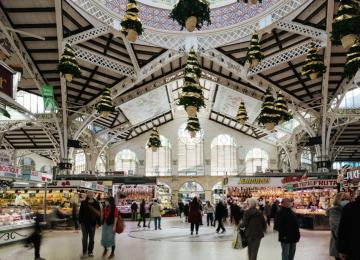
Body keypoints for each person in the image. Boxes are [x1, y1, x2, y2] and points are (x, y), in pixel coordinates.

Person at [338, 191, 360, 260]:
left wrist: (342, 249)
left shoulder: (349, 208)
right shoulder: (348, 207)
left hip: (353, 249)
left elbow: (342, 230)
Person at [79, 191, 101, 258]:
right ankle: (84, 252)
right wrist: (80, 222)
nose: (90, 194)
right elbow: (80, 213)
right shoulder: (83, 203)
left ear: (93, 194)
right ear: (87, 194)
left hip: (92, 224)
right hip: (84, 224)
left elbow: (99, 214)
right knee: (84, 239)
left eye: (91, 193)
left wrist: (98, 223)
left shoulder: (96, 203)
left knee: (91, 239)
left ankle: (90, 252)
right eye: (89, 193)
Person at [327, 192, 349, 260]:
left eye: (348, 199)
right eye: (343, 199)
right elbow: (337, 230)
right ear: (338, 200)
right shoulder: (334, 211)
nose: (346, 201)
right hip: (339, 246)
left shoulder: (349, 210)